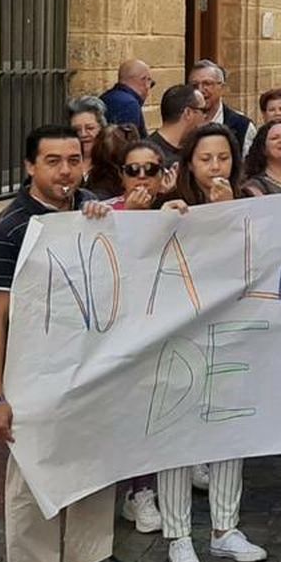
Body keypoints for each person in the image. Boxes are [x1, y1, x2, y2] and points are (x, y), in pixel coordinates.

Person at [0, 125, 145, 562]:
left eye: (73, 159)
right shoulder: (10, 230)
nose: (65, 170)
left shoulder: (90, 207)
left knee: (94, 460)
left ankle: (89, 556)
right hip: (33, 375)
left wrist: (113, 218)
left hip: (88, 367)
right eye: (53, 161)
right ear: (30, 167)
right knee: (33, 474)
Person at [155, 124, 268, 562]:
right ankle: (178, 535)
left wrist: (231, 217)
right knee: (176, 436)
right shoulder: (172, 208)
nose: (215, 167)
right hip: (178, 340)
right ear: (189, 164)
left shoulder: (246, 206)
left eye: (223, 158)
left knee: (228, 433)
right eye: (205, 159)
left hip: (229, 335)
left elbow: (257, 265)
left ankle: (224, 530)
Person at [103, 137, 174, 533]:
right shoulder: (102, 211)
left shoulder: (173, 212)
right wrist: (127, 215)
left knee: (152, 413)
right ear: (121, 175)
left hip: (158, 330)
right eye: (134, 170)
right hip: (115, 333)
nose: (142, 177)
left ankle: (142, 489)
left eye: (150, 169)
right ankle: (127, 489)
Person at [189, 60, 254, 155]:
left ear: (222, 88)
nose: (200, 90)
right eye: (194, 85)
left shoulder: (242, 127)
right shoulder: (184, 123)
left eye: (207, 84)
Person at [146, 85, 205, 170]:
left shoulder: (195, 149)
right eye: (203, 111)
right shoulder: (148, 156)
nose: (205, 117)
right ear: (188, 113)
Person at [100, 59, 153, 133]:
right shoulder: (130, 105)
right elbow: (129, 141)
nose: (148, 87)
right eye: (150, 82)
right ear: (144, 79)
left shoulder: (105, 97)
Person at [66, 95, 108, 181]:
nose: (83, 134)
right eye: (77, 130)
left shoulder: (112, 164)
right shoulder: (63, 164)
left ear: (102, 128)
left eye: (90, 128)